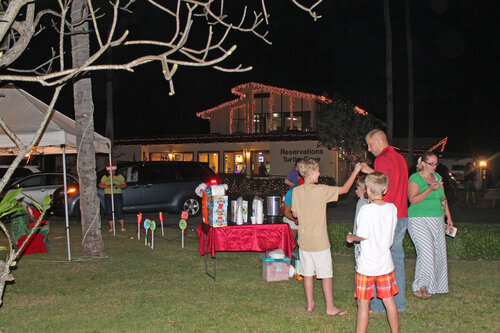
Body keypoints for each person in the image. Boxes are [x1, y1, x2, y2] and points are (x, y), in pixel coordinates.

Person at [291, 158, 363, 316]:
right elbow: (344, 189)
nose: (319, 173)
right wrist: (356, 170)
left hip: (304, 241)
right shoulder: (321, 189)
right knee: (326, 275)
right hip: (319, 242)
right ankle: (330, 307)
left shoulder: (296, 191)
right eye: (317, 170)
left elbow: (295, 213)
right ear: (311, 172)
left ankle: (310, 304)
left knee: (307, 273)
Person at [362, 129, 408, 313]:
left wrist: (370, 173)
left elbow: (381, 188)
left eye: (370, 144)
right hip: (402, 214)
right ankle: (399, 303)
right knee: (397, 260)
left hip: (386, 216)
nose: (369, 148)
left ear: (378, 141)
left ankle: (379, 305)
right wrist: (373, 172)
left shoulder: (381, 159)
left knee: (378, 260)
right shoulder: (400, 158)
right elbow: (392, 182)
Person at [347, 172, 399, 333]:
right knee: (389, 300)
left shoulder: (366, 210)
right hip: (385, 263)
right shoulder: (392, 208)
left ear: (367, 189)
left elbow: (362, 235)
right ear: (384, 190)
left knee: (363, 303)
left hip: (366, 265)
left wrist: (351, 237)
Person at [407, 152, 454, 298]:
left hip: (437, 218)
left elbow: (442, 199)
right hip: (418, 219)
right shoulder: (415, 178)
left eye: (436, 164)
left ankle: (426, 286)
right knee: (427, 252)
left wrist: (449, 218)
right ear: (423, 163)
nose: (434, 166)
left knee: (436, 252)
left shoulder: (438, 178)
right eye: (431, 163)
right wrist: (429, 189)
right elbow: (413, 200)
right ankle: (419, 286)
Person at [99, 163, 127, 232]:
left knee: (118, 210)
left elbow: (124, 185)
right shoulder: (105, 177)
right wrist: (108, 186)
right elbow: (100, 185)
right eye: (110, 171)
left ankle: (122, 227)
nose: (112, 172)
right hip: (108, 194)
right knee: (109, 210)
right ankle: (111, 227)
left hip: (117, 194)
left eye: (113, 171)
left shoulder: (119, 176)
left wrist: (118, 186)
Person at [353, 175, 368, 269]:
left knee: (362, 266)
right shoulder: (361, 201)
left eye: (359, 187)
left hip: (362, 241)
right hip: (358, 241)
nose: (356, 190)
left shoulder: (365, 203)